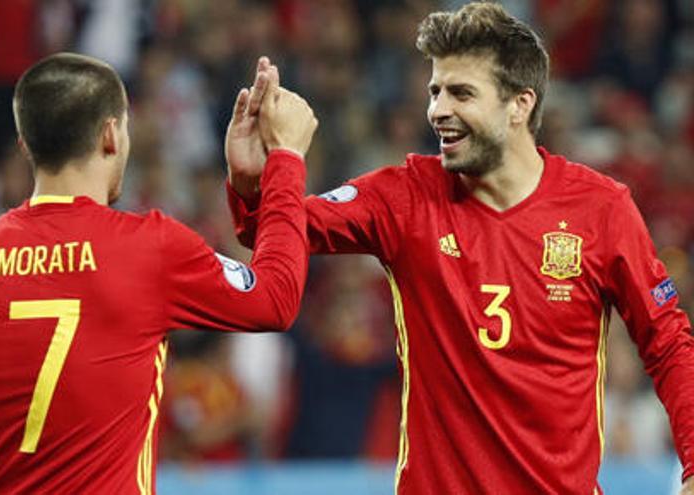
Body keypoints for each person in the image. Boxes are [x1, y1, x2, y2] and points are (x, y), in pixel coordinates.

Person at [226, 4, 694, 494]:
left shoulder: (601, 210)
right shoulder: (405, 196)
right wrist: (252, 178)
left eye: (461, 93)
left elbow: (668, 344)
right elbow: (274, 230)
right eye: (435, 91)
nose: (438, 110)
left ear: (520, 104)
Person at [0, 52, 318, 494]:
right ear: (111, 134)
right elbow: (275, 297)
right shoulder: (152, 248)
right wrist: (280, 167)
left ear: (26, 146)